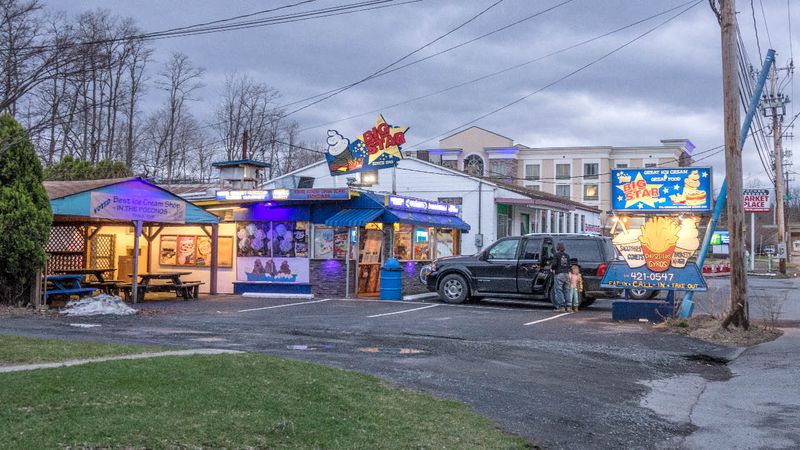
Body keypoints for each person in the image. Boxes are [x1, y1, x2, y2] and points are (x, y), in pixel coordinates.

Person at [551, 242, 572, 312]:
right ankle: (569, 306)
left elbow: (554, 264)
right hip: (566, 273)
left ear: (557, 248)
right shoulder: (567, 255)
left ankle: (561, 307)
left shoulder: (556, 255)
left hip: (559, 273)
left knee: (558, 290)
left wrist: (552, 268)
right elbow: (569, 265)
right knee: (567, 290)